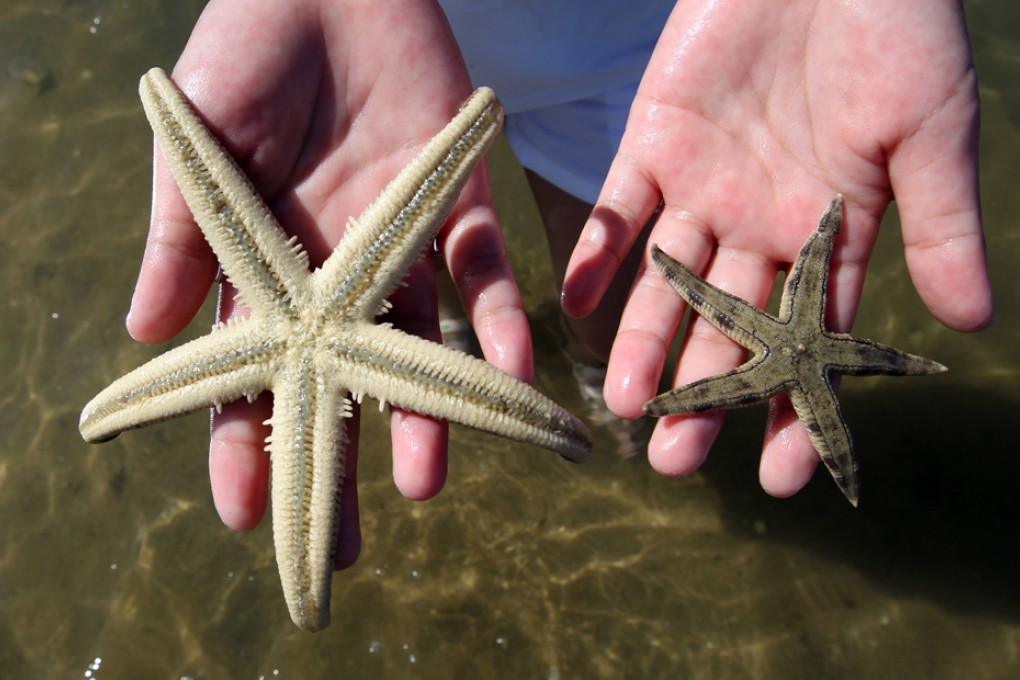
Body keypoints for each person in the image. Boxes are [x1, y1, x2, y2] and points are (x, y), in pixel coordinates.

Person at [126, 0, 992, 567]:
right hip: (396, 36)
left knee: (604, 280)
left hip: (667, 44)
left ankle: (591, 370)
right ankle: (452, 344)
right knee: (436, 256)